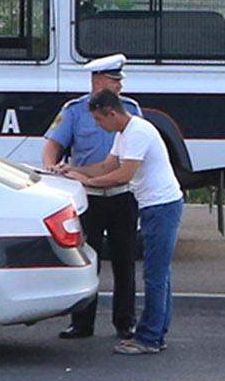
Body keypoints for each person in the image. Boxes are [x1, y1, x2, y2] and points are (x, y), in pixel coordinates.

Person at [42, 53, 143, 341]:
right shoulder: (74, 111)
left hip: (122, 195)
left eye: (119, 81)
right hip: (89, 198)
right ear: (97, 81)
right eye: (114, 80)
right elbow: (53, 145)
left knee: (125, 261)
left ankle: (125, 322)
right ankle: (82, 323)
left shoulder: (131, 110)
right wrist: (52, 167)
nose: (119, 86)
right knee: (87, 260)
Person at [77, 90, 185, 356]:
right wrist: (74, 171)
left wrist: (88, 183)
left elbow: (124, 175)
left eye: (100, 121)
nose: (98, 126)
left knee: (155, 275)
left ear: (111, 113)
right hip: (152, 206)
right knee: (161, 273)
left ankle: (149, 337)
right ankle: (156, 331)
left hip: (161, 206)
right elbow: (106, 166)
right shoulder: (123, 134)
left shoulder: (137, 132)